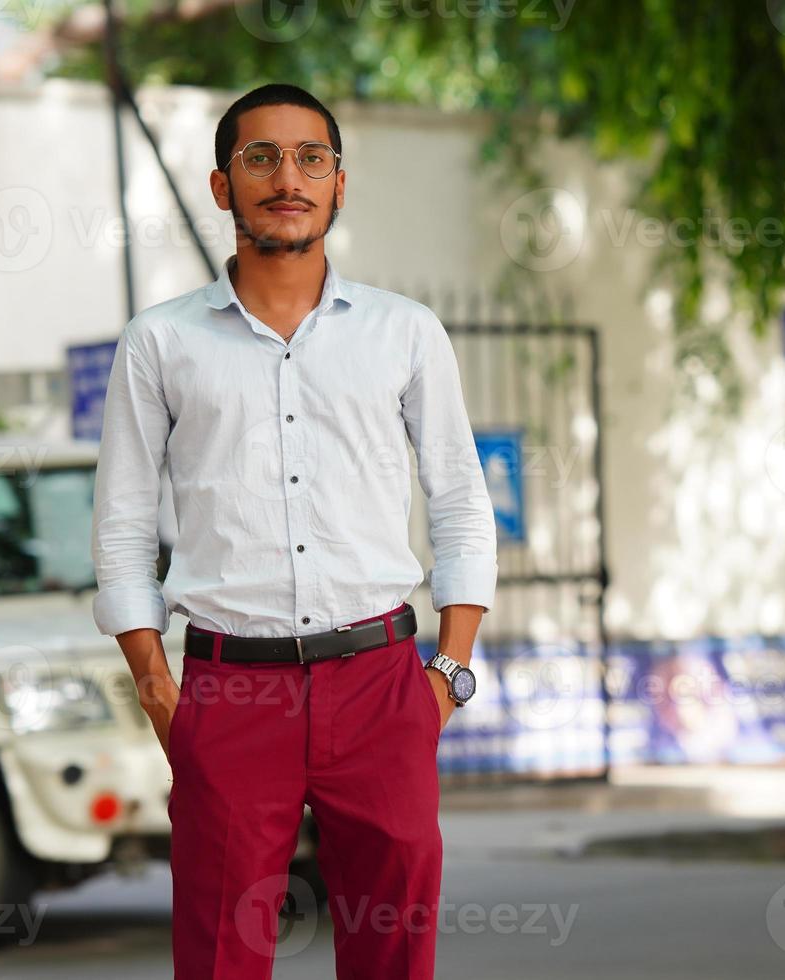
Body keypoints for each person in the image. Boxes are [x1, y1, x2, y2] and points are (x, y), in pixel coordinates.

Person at [90, 82, 496, 980]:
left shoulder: (405, 333)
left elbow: (461, 503)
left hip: (384, 685)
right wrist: (162, 693)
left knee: (393, 956)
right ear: (221, 185)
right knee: (220, 962)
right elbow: (121, 530)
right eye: (261, 156)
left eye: (312, 157)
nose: (289, 176)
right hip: (229, 694)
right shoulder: (159, 344)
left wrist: (447, 675)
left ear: (340, 185)